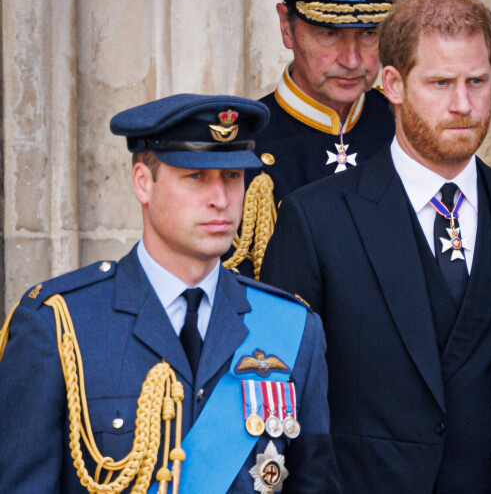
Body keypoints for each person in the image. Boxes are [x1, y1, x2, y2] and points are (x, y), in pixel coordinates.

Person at [261, 0, 491, 492]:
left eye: (477, 81)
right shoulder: (319, 220)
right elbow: (281, 401)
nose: (463, 104)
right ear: (393, 84)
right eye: (440, 83)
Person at [0, 94, 339, 493]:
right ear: (143, 182)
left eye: (232, 177)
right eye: (196, 176)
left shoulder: (292, 328)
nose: (221, 199)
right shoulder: (59, 326)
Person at [225, 0, 423, 277]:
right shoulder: (240, 143)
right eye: (330, 33)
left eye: (370, 33)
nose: (352, 60)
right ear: (287, 27)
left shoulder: (410, 125)